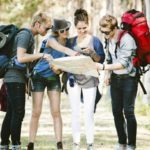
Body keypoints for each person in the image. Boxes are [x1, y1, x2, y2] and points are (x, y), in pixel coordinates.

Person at [0, 12, 53, 150]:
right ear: (37, 24)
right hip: (14, 78)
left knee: (12, 112)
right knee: (18, 112)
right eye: (46, 28)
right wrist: (42, 54)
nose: (47, 31)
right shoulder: (25, 35)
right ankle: (16, 145)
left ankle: (4, 144)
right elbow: (21, 57)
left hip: (15, 78)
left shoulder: (29, 36)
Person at [27, 19, 78, 150]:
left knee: (56, 111)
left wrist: (60, 69)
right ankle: (31, 143)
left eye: (67, 29)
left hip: (53, 77)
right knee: (36, 112)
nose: (65, 32)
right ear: (56, 32)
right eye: (62, 30)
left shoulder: (69, 42)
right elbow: (63, 49)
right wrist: (75, 54)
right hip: (38, 76)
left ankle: (59, 144)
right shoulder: (51, 40)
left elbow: (63, 64)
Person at [95, 15, 138, 150]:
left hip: (129, 79)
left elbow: (123, 64)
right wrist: (107, 74)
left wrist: (103, 68)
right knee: (116, 111)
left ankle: (131, 144)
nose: (105, 35)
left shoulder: (127, 40)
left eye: (107, 32)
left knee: (128, 111)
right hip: (116, 79)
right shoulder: (109, 39)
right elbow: (109, 58)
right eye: (102, 32)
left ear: (115, 28)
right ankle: (122, 142)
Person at [67, 9, 105, 150]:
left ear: (88, 25)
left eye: (84, 28)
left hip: (90, 79)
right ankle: (76, 143)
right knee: (75, 111)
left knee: (89, 112)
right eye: (79, 28)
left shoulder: (95, 41)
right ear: (75, 27)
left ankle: (90, 143)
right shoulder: (70, 42)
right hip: (73, 79)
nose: (82, 31)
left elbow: (100, 60)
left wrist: (92, 53)